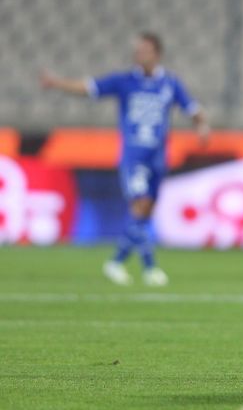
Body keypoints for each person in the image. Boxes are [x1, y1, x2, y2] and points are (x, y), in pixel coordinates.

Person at [40, 32, 209, 286]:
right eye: (137, 50)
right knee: (140, 205)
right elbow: (90, 88)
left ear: (157, 54)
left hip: (157, 158)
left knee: (145, 212)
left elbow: (192, 108)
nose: (139, 54)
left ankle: (116, 262)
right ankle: (150, 268)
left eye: (144, 50)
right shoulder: (125, 81)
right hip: (134, 157)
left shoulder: (170, 83)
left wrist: (202, 126)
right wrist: (57, 83)